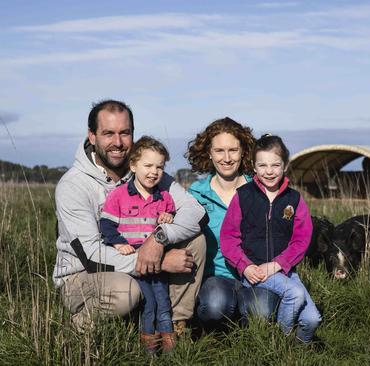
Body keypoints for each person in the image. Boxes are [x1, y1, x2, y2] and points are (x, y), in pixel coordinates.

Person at [53, 100, 206, 336]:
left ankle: (173, 325)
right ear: (92, 136)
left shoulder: (146, 170)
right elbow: (90, 255)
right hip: (83, 274)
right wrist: (158, 262)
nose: (117, 142)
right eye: (108, 134)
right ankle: (78, 327)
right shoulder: (74, 185)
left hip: (133, 260)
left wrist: (159, 239)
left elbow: (197, 213)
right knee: (126, 293)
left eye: (124, 133)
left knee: (196, 240)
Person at [220, 134, 322, 343]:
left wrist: (278, 264)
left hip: (283, 270)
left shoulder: (294, 199)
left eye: (275, 165)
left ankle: (298, 351)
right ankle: (280, 345)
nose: (269, 171)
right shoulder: (243, 196)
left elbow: (301, 240)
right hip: (253, 270)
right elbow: (228, 238)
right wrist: (245, 266)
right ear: (254, 167)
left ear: (285, 165)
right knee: (295, 294)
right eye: (263, 165)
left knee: (312, 319)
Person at [186, 118, 280, 329]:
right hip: (216, 276)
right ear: (209, 153)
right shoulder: (196, 194)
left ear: (243, 152)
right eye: (219, 150)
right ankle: (219, 326)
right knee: (215, 306)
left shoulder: (261, 189)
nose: (227, 158)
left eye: (233, 150)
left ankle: (248, 317)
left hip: (259, 274)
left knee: (262, 313)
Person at [99, 136, 177, 353]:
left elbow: (171, 217)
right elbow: (106, 225)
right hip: (134, 263)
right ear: (133, 165)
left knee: (163, 303)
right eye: (148, 165)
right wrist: (117, 243)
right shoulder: (119, 195)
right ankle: (149, 349)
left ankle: (169, 349)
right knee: (148, 304)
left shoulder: (164, 197)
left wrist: (169, 217)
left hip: (157, 263)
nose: (154, 172)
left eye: (159, 167)